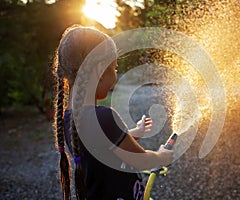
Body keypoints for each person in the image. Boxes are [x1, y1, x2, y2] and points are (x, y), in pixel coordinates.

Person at [52, 25, 174, 200]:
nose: (115, 75)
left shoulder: (68, 119)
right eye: (114, 68)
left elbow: (99, 145)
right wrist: (161, 156)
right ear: (99, 70)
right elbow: (141, 160)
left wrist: (132, 134)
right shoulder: (105, 117)